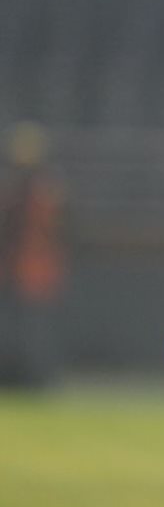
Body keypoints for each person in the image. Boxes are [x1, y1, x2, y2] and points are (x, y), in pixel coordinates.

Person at [0, 121, 67, 390]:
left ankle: (34, 377)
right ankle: (17, 375)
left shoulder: (44, 189)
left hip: (34, 271)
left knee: (34, 329)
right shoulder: (40, 189)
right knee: (17, 328)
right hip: (19, 270)